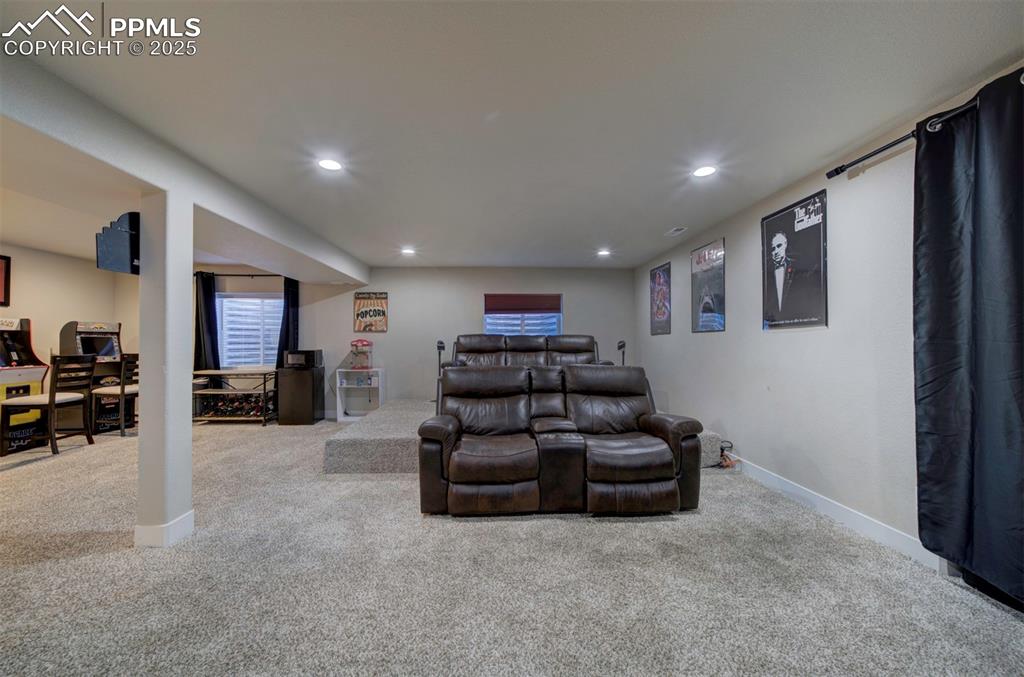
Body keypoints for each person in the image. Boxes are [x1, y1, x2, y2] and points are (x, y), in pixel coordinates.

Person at [764, 230, 821, 324]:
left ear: (785, 244)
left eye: (779, 246)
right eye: (773, 249)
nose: (776, 251)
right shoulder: (767, 273)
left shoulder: (797, 266)